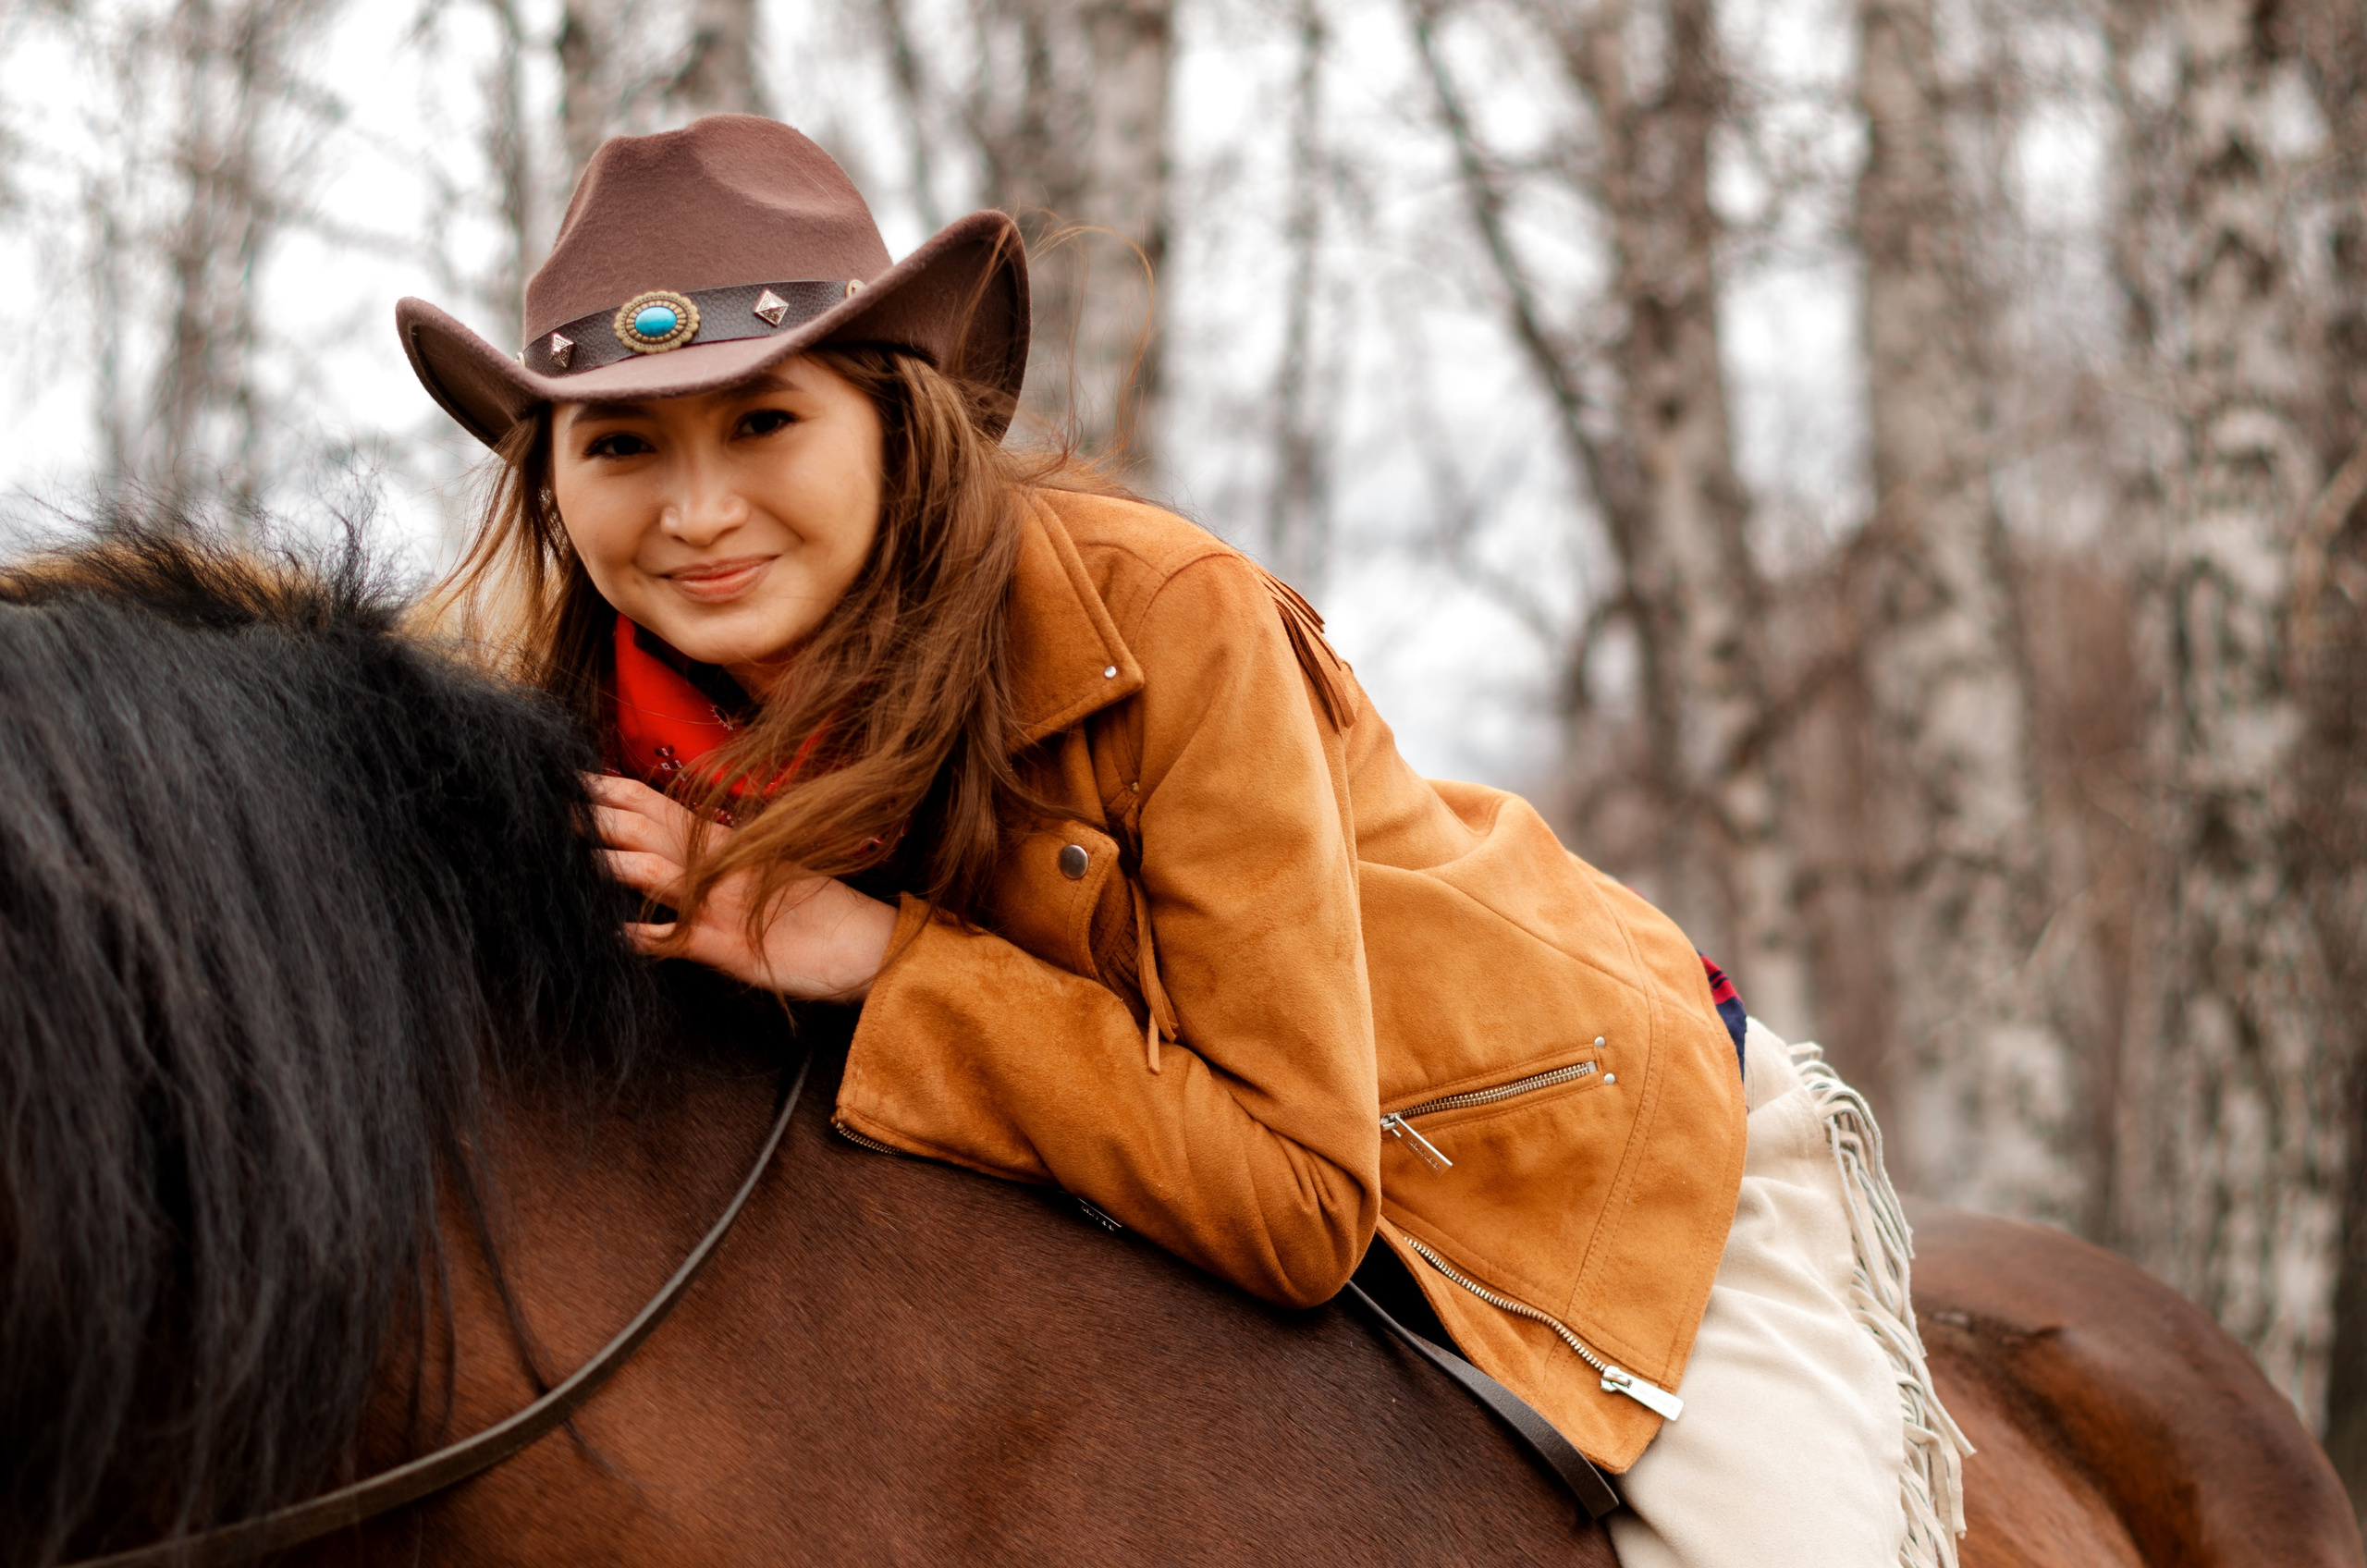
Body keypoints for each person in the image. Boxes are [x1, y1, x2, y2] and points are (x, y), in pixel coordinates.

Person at [398, 115, 1968, 1568]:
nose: (696, 513)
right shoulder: (574, 742)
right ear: (554, 478)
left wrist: (878, 957)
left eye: (762, 421)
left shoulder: (1163, 622)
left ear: (893, 418)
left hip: (1554, 1144)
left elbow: (1297, 1202)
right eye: (621, 447)